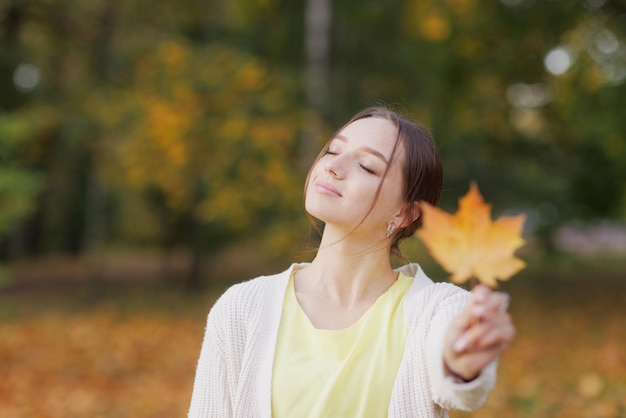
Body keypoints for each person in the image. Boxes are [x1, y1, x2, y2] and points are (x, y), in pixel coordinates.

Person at [188, 106, 515, 418]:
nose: (333, 166)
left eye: (367, 167)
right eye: (332, 151)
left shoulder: (436, 311)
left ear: (404, 213)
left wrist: (459, 365)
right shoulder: (242, 309)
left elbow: (458, 383)